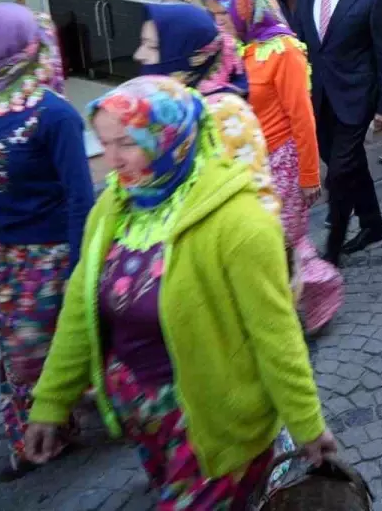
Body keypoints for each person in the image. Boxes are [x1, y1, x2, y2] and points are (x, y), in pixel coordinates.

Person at [23, 76, 337, 502]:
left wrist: (307, 424)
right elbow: (81, 308)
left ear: (167, 138)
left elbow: (276, 336)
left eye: (126, 143)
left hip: (213, 425)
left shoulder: (240, 223)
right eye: (103, 143)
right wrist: (51, 402)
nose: (110, 160)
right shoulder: (115, 206)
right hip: (142, 415)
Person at [0, 5, 95, 480]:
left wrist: (78, 266)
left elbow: (80, 200)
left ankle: (38, 439)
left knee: (30, 354)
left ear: (13, 48)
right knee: (17, 350)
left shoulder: (55, 116)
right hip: (1, 255)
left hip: (46, 259)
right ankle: (60, 416)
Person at [201, 0, 343, 334]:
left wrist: (310, 176)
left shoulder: (284, 51)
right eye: (213, 15)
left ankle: (313, 293)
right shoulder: (226, 50)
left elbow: (303, 119)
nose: (220, 22)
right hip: (241, 164)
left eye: (224, 13)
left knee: (281, 241)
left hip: (281, 162)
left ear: (245, 7)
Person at [294, 0, 382, 264]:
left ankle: (333, 246)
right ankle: (372, 224)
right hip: (318, 100)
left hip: (356, 101)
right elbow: (304, 46)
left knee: (338, 173)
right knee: (350, 165)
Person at [135, 3, 279, 219]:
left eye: (152, 47)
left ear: (187, 54)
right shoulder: (171, 105)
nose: (139, 55)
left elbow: (256, 205)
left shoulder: (223, 113)